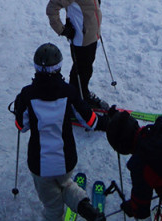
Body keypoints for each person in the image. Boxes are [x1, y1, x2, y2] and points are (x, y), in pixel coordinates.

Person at [11, 43, 104, 221]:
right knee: (66, 184)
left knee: (52, 205)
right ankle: (85, 207)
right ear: (59, 66)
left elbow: (21, 126)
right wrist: (108, 122)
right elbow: (91, 121)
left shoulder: (27, 94)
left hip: (40, 164)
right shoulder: (69, 92)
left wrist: (18, 107)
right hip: (66, 160)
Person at [46, 0, 103, 109]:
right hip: (81, 38)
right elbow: (51, 8)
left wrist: (98, 0)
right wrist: (62, 30)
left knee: (87, 67)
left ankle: (79, 94)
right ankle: (78, 97)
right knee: (81, 70)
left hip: (93, 31)